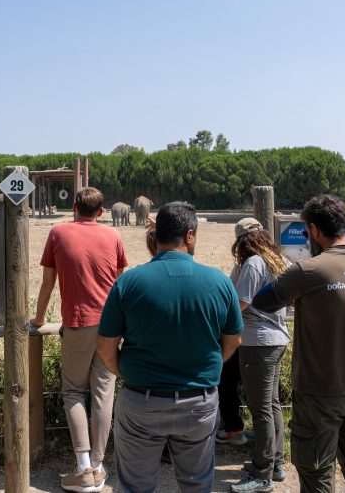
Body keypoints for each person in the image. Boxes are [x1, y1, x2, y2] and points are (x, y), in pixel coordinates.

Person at [97, 201, 243, 492]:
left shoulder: (129, 282)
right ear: (190, 235)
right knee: (197, 483)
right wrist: (208, 367)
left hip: (141, 400)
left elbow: (105, 346)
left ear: (158, 234)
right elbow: (233, 340)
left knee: (136, 485)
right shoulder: (218, 281)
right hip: (198, 401)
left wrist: (124, 372)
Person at [252, 195, 345, 493]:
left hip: (319, 394)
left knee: (317, 477)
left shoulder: (309, 271)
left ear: (314, 230)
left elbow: (263, 301)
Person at [30, 187, 128, 493]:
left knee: (73, 391)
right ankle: (99, 466)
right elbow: (122, 280)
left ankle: (83, 467)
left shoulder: (59, 234)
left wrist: (38, 319)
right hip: (111, 325)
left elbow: (48, 282)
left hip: (78, 323)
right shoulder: (113, 236)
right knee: (104, 393)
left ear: (74, 207)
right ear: (102, 211)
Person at [229, 218, 291, 493]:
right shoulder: (278, 260)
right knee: (272, 404)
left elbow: (241, 302)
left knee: (261, 408)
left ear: (243, 241)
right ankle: (275, 462)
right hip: (277, 339)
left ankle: (262, 472)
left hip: (258, 343)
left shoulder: (253, 263)